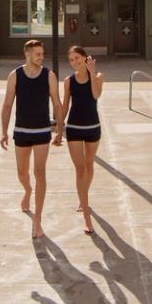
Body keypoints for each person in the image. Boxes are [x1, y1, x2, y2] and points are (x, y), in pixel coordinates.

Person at [0, 37, 62, 238]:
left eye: (42, 54)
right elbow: (7, 105)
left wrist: (60, 129)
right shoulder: (15, 76)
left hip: (42, 131)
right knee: (22, 173)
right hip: (22, 131)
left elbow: (57, 103)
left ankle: (38, 220)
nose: (41, 57)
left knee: (40, 173)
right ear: (27, 54)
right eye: (38, 54)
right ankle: (27, 191)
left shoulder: (49, 76)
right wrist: (3, 131)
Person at [57, 45, 104, 234]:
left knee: (89, 165)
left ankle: (83, 197)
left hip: (93, 127)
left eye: (77, 58)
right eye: (71, 60)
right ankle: (86, 213)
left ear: (85, 58)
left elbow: (96, 95)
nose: (74, 62)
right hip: (74, 128)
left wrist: (92, 73)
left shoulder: (98, 77)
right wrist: (60, 131)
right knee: (80, 170)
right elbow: (65, 107)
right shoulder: (68, 81)